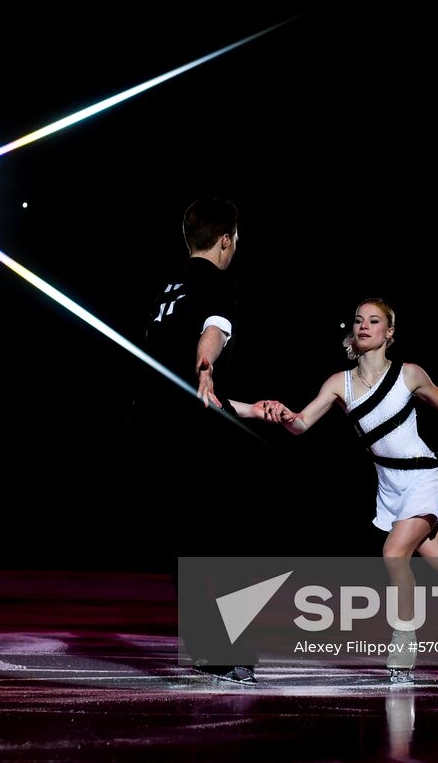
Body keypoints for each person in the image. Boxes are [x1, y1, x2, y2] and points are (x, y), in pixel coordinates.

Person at [260, 297, 438, 681]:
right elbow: (301, 424)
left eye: (374, 321)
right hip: (392, 488)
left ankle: (404, 644)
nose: (364, 326)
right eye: (359, 320)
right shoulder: (339, 384)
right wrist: (286, 417)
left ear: (389, 332)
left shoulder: (409, 375)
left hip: (424, 477)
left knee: (394, 552)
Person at [127, 197, 273, 685]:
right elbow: (215, 330)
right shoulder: (218, 282)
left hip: (150, 424)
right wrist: (206, 362)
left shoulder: (167, 287)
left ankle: (213, 648)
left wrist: (246, 407)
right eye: (237, 239)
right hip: (186, 432)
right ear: (226, 240)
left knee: (185, 540)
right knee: (221, 535)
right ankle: (222, 649)